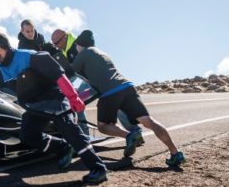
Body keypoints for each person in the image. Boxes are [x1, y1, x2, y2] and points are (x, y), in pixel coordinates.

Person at [0, 30, 108, 184]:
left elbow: (58, 75)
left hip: (55, 100)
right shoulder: (1, 72)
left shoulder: (29, 56)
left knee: (71, 132)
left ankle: (98, 169)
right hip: (36, 108)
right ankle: (63, 147)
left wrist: (73, 97)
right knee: (28, 134)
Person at [71, 33, 185, 166]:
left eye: (76, 46)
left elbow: (70, 74)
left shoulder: (84, 53)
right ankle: (176, 153)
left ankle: (129, 136)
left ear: (79, 44)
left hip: (109, 93)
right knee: (149, 121)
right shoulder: (102, 53)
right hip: (127, 87)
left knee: (103, 126)